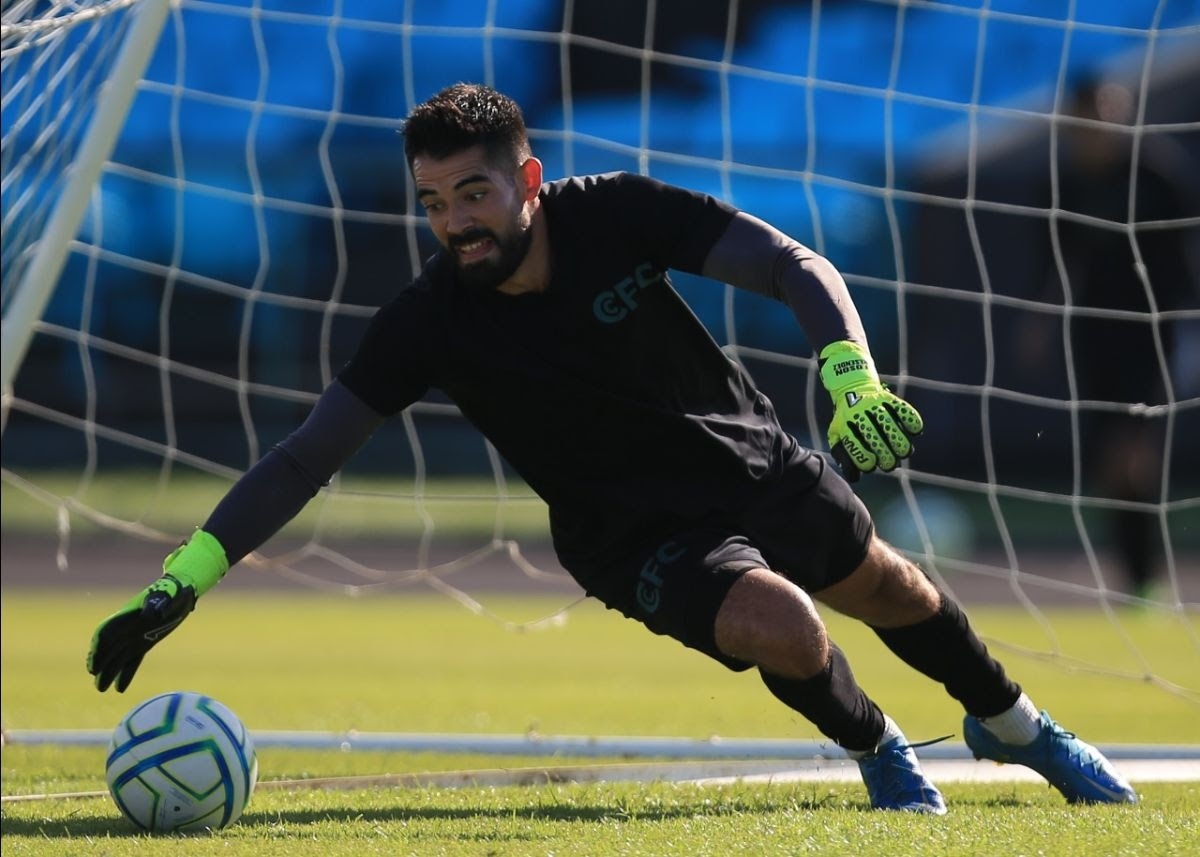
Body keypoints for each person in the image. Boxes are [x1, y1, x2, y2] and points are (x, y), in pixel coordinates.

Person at [87, 83, 1138, 812]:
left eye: (474, 193)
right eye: (434, 203)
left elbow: (793, 265)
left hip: (749, 455)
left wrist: (850, 375)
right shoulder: (429, 318)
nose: (456, 223)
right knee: (785, 622)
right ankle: (878, 745)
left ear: (527, 176)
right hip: (626, 530)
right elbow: (303, 457)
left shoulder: (617, 213)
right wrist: (185, 577)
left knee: (891, 584)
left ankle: (1017, 724)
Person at [1029, 76, 1199, 599]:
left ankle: (1147, 577)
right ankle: (1134, 580)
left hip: (1152, 329)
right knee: (1109, 463)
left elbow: (1184, 255)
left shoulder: (1156, 174)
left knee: (1134, 453)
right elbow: (1058, 264)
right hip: (1093, 332)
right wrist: (1037, 322)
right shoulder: (1066, 184)